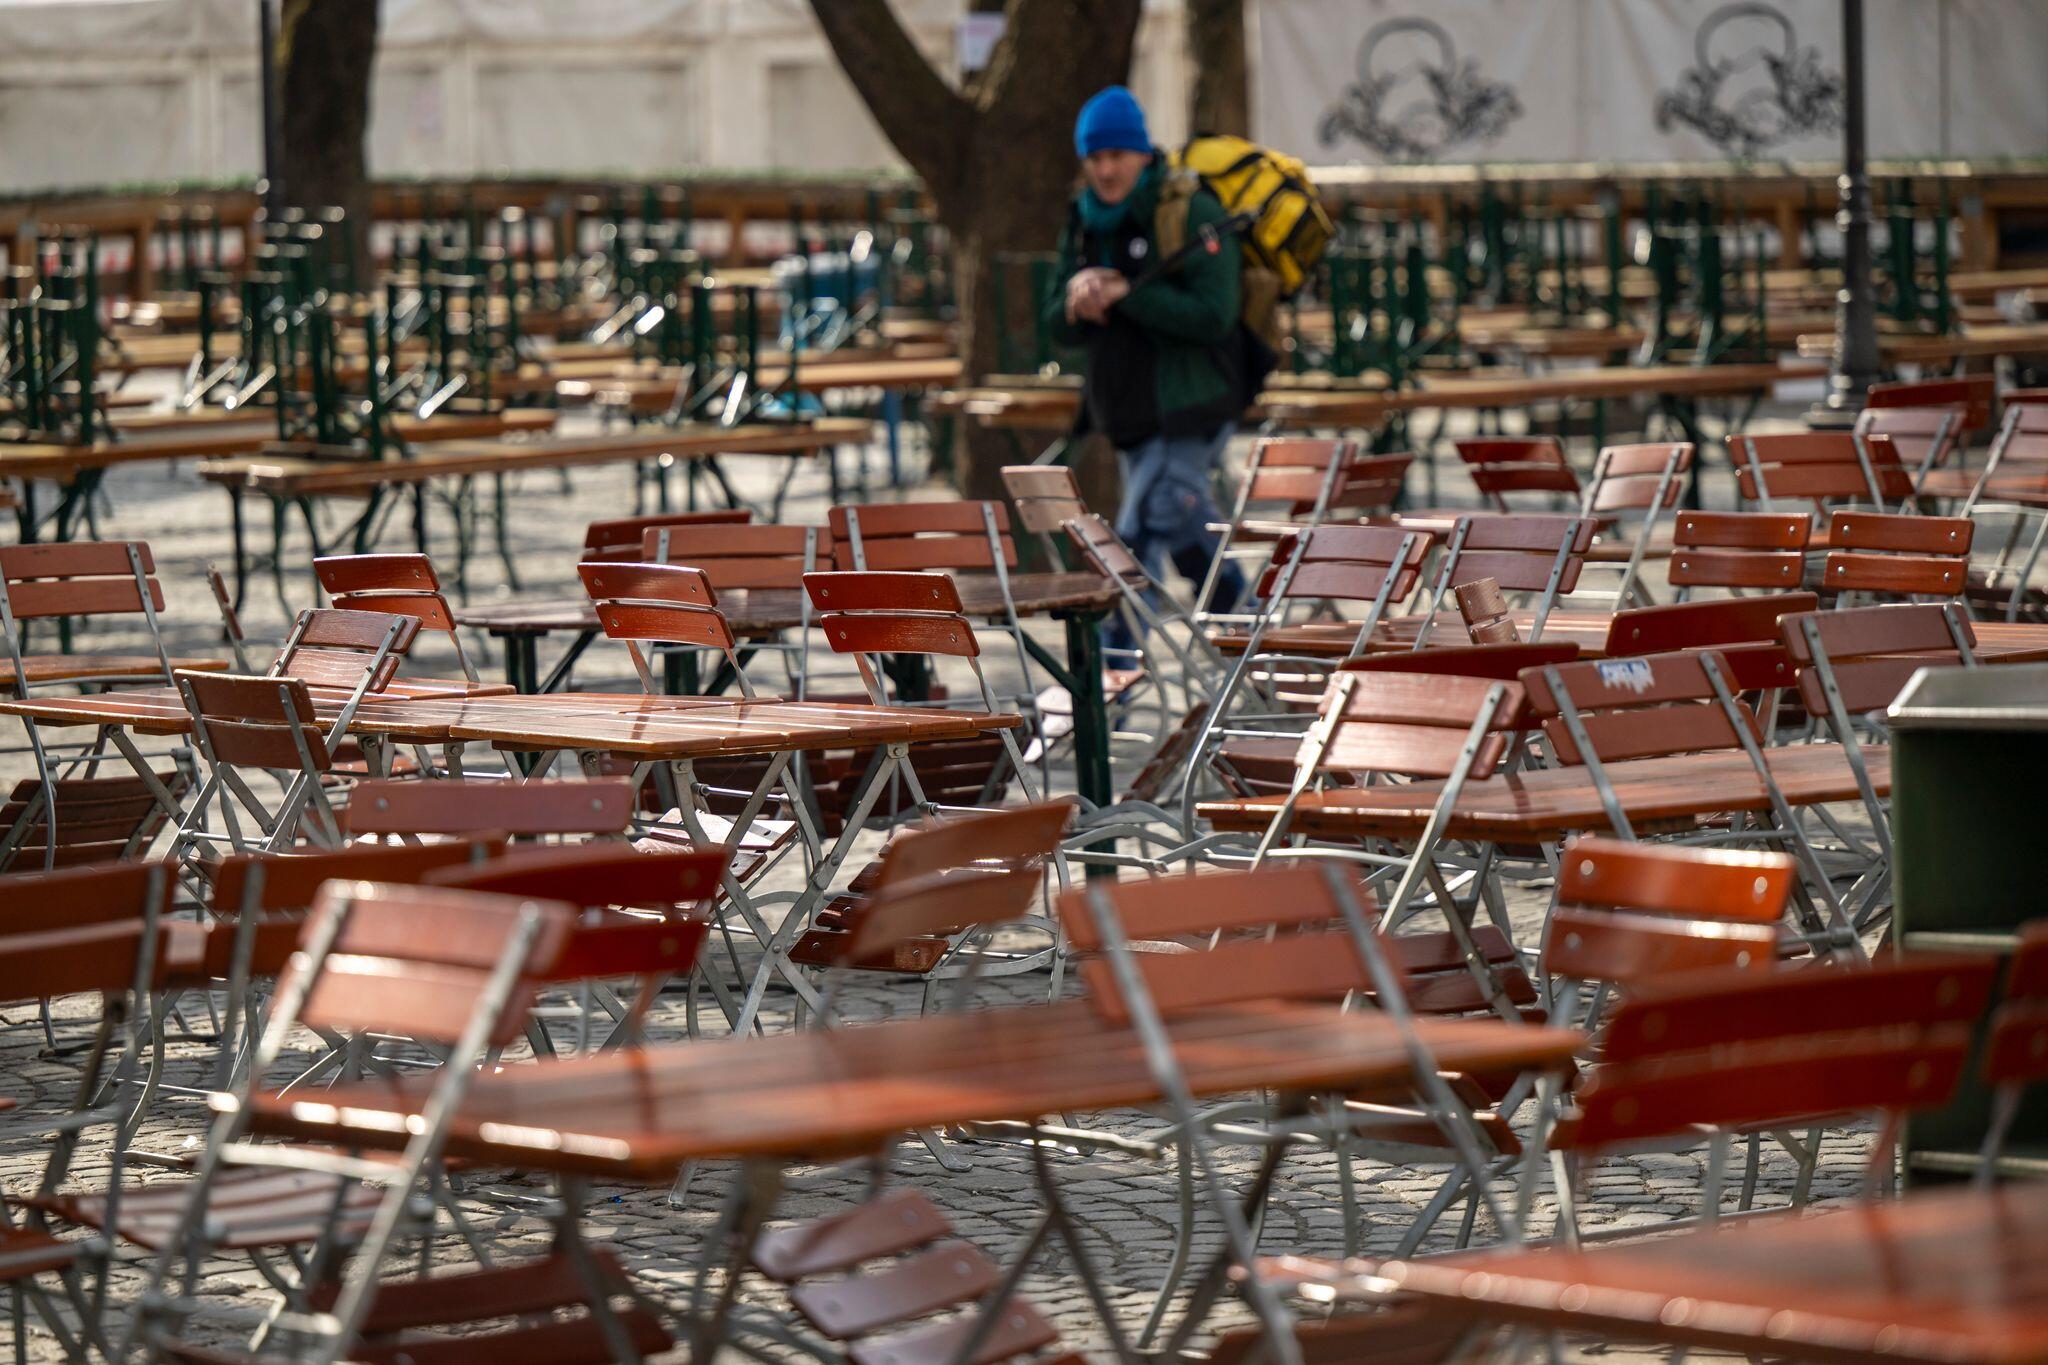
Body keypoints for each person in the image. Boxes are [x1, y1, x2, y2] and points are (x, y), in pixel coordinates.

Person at [1045, 85, 1248, 654]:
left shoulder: (1188, 210)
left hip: (1191, 400)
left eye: (1117, 155)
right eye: (1094, 157)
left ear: (1142, 152)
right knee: (1174, 520)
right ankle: (1247, 631)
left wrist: (1127, 295)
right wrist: (1075, 304)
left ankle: (1114, 659)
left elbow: (1216, 315)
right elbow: (1053, 323)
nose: (1106, 169)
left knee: (1144, 522)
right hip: (1127, 409)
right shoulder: (1083, 220)